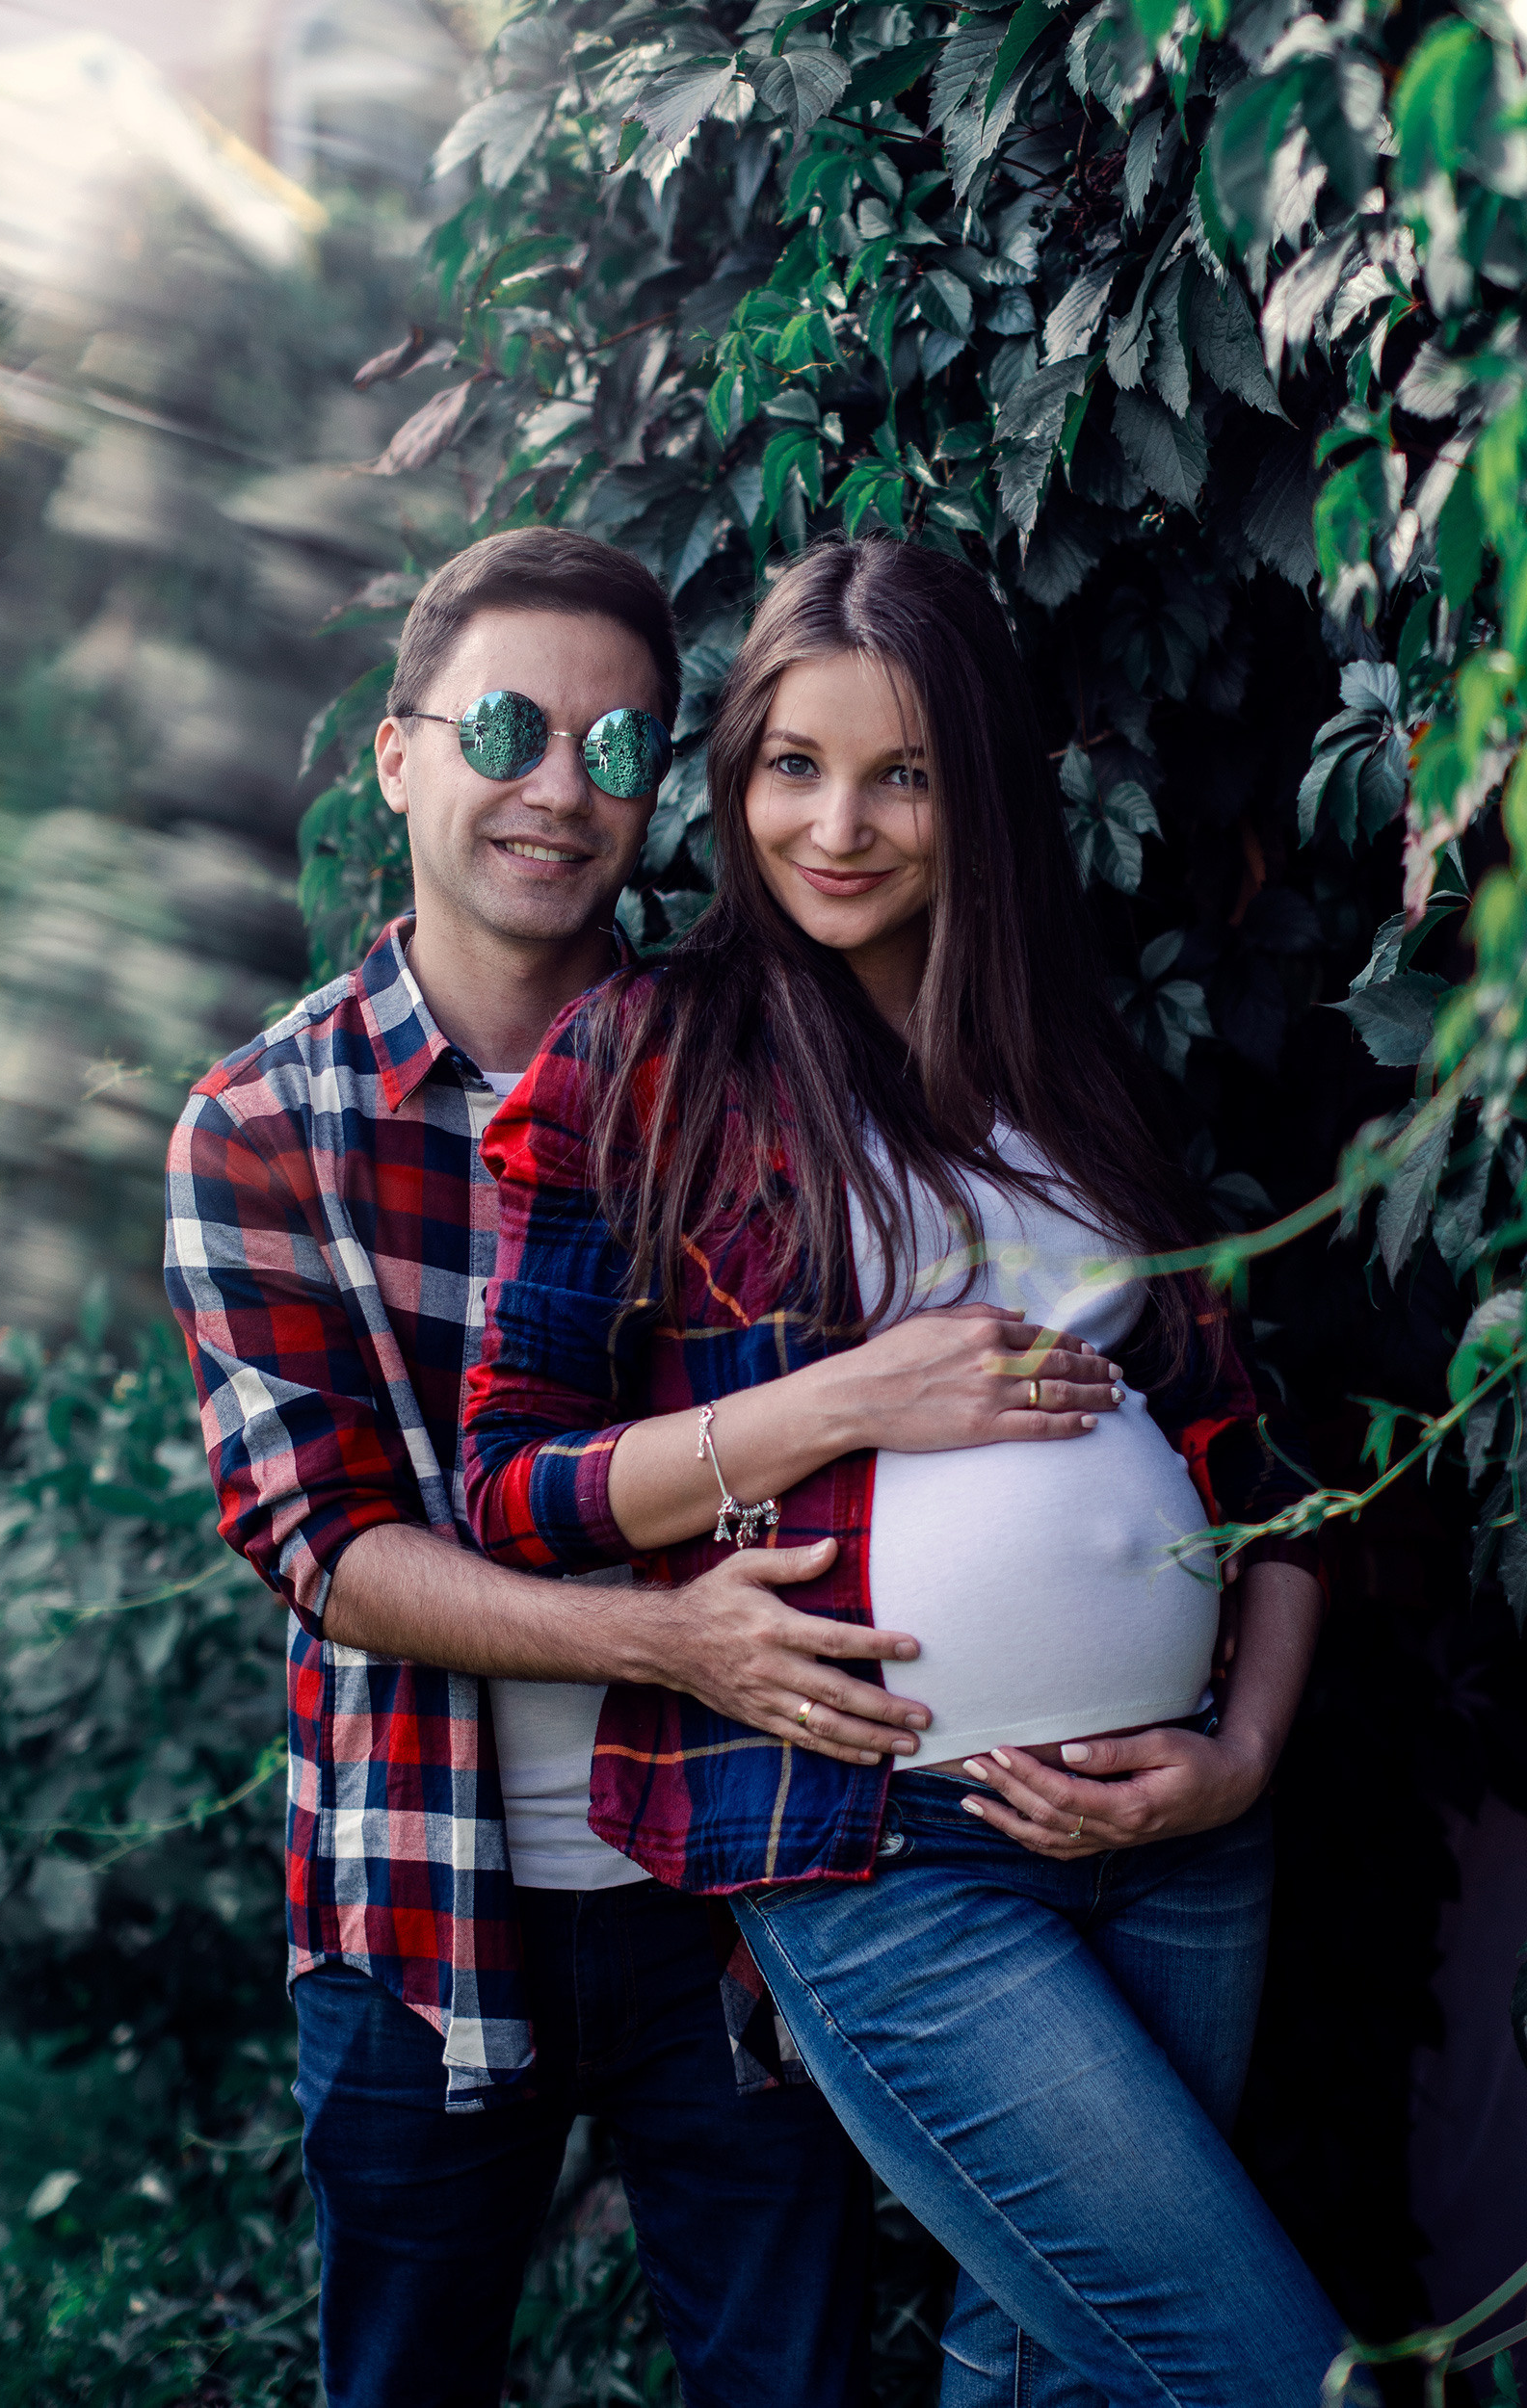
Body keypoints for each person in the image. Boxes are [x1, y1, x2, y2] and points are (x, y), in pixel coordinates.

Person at [464, 535, 1352, 2406]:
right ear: (735, 774)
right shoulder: (650, 1060)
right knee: (1274, 2371)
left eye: (903, 772)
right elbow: (513, 1482)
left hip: (1186, 1836)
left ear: (980, 796)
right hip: (884, 1849)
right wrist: (836, 1401)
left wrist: (1242, 1756)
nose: (839, 824)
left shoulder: (1075, 1076)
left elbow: (1269, 1471)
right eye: (794, 764)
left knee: (1055, 2371)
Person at [162, 528, 992, 2408]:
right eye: (514, 730)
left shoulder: (775, 1067)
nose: (561, 789)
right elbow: (326, 1540)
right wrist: (670, 1641)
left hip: (745, 1907)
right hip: (419, 1903)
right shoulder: (265, 1123)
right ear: (397, 752)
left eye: (620, 751)